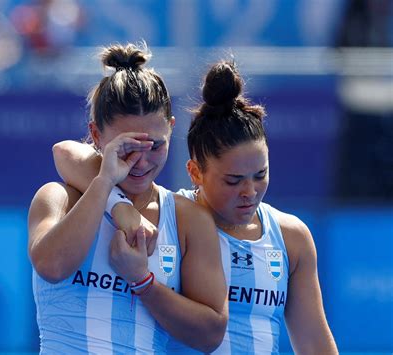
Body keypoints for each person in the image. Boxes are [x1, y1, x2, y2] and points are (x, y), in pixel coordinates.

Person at [53, 60, 338, 354]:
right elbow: (66, 153)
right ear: (195, 172)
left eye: (260, 175)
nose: (249, 192)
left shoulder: (291, 237)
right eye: (233, 180)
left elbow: (315, 343)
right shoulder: (171, 216)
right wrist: (120, 206)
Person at [28, 42, 227, 354]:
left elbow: (210, 334)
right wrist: (108, 186)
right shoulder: (58, 198)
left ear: (172, 129)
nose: (141, 162)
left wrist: (142, 282)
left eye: (156, 146)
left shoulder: (189, 218)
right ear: (96, 135)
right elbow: (51, 267)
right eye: (128, 148)